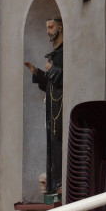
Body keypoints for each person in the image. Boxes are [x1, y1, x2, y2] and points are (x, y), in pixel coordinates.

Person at [24, 17, 64, 195]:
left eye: (51, 27)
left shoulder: (65, 52)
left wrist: (51, 69)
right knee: (52, 143)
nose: (48, 31)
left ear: (60, 27)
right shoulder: (55, 53)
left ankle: (60, 183)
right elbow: (49, 83)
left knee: (59, 141)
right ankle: (54, 184)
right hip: (52, 106)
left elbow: (69, 75)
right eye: (47, 27)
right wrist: (37, 72)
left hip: (61, 105)